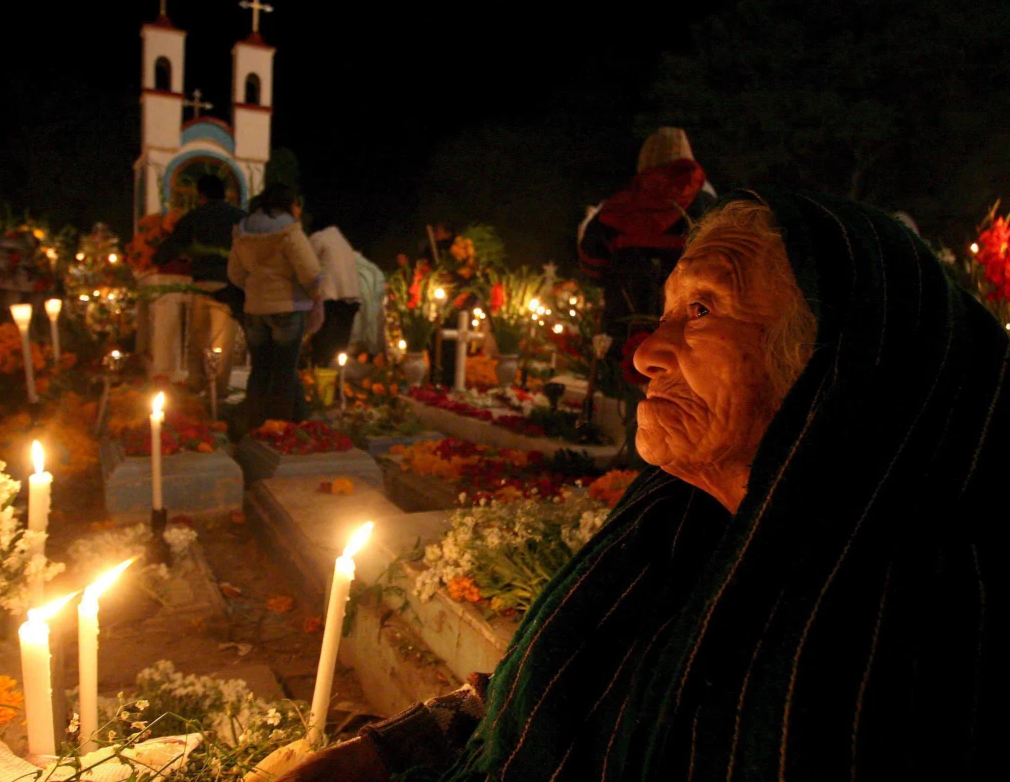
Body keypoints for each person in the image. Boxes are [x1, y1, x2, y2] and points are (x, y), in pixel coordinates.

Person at [279, 191, 1003, 780]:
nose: (647, 354)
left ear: (840, 365)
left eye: (703, 310)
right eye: (662, 313)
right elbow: (556, 694)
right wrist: (381, 752)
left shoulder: (894, 648)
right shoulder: (677, 525)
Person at [579, 127, 717, 348]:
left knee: (620, 375)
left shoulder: (617, 208)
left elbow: (591, 266)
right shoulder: (708, 207)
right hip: (686, 333)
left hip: (623, 329)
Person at [228, 184, 322, 431]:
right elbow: (310, 272)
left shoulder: (243, 231)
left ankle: (253, 426)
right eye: (297, 204)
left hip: (255, 310)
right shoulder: (289, 231)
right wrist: (316, 297)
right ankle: (279, 430)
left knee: (260, 369)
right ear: (289, 203)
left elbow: (235, 274)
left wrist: (256, 287)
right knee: (284, 371)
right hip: (287, 307)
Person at [153, 174, 246, 396]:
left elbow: (170, 248)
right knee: (224, 342)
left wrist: (157, 258)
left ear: (201, 195)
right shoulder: (240, 218)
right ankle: (220, 389)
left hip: (201, 284)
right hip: (229, 287)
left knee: (198, 339)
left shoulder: (194, 217)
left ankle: (196, 384)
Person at [306, 215, 361, 368]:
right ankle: (338, 383)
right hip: (351, 300)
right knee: (339, 349)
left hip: (331, 299)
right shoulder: (343, 242)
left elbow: (306, 264)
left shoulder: (318, 238)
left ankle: (322, 383)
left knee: (323, 347)